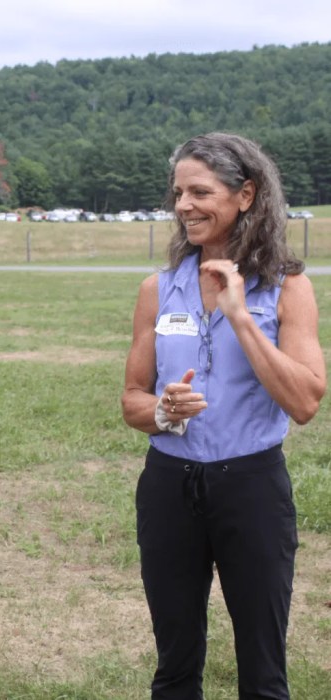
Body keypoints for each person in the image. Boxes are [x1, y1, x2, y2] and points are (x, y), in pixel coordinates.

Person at [121, 132, 326, 699]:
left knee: (262, 669)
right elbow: (132, 400)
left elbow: (306, 401)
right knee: (175, 664)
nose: (184, 205)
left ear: (246, 195)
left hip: (252, 488)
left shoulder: (288, 289)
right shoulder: (157, 290)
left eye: (200, 192)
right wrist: (162, 413)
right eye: (179, 192)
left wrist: (239, 316)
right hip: (168, 487)